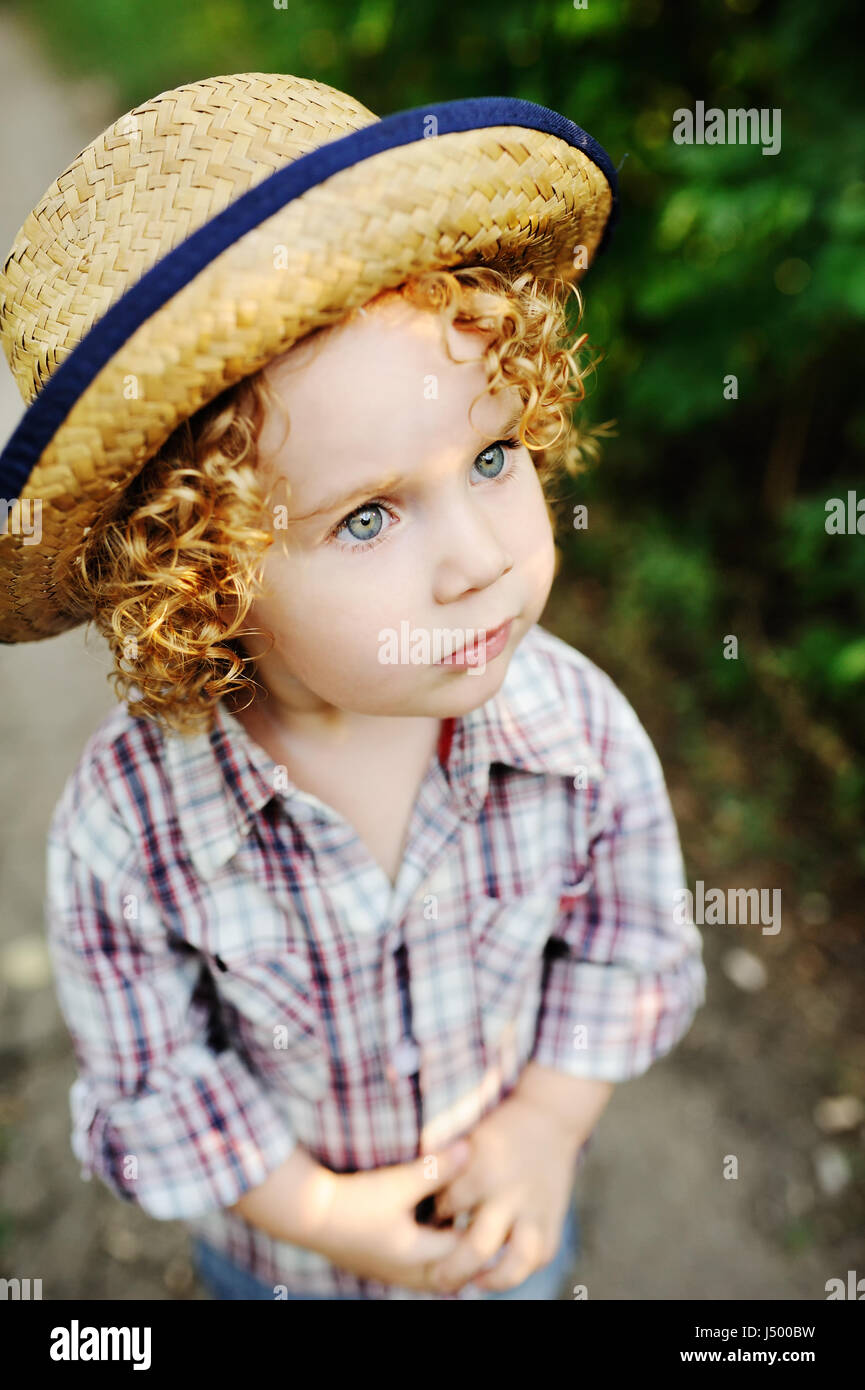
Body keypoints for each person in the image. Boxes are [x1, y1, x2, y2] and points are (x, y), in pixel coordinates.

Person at [0, 73, 706, 1301]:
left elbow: (624, 944)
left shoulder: (576, 731)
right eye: (369, 516)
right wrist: (320, 1215)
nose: (480, 558)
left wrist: (542, 1128)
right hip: (281, 1261)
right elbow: (159, 1074)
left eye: (491, 456)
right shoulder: (132, 828)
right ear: (205, 576)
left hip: (503, 1234)